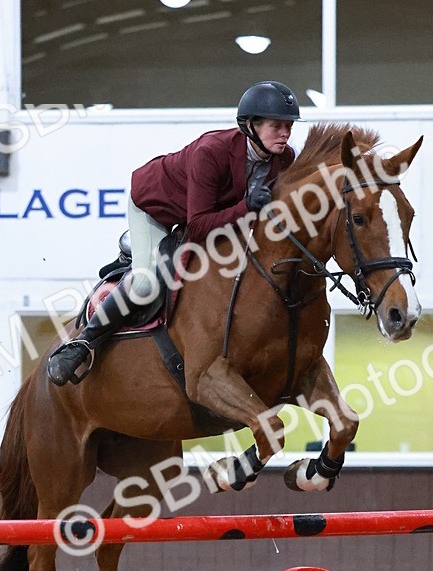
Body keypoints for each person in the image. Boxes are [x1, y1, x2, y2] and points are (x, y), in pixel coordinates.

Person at [47, 80, 300, 386]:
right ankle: (80, 344)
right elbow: (198, 226)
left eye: (288, 125)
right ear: (250, 125)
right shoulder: (212, 152)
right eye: (277, 126)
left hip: (208, 213)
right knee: (145, 283)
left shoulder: (284, 158)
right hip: (156, 208)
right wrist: (246, 207)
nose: (285, 133)